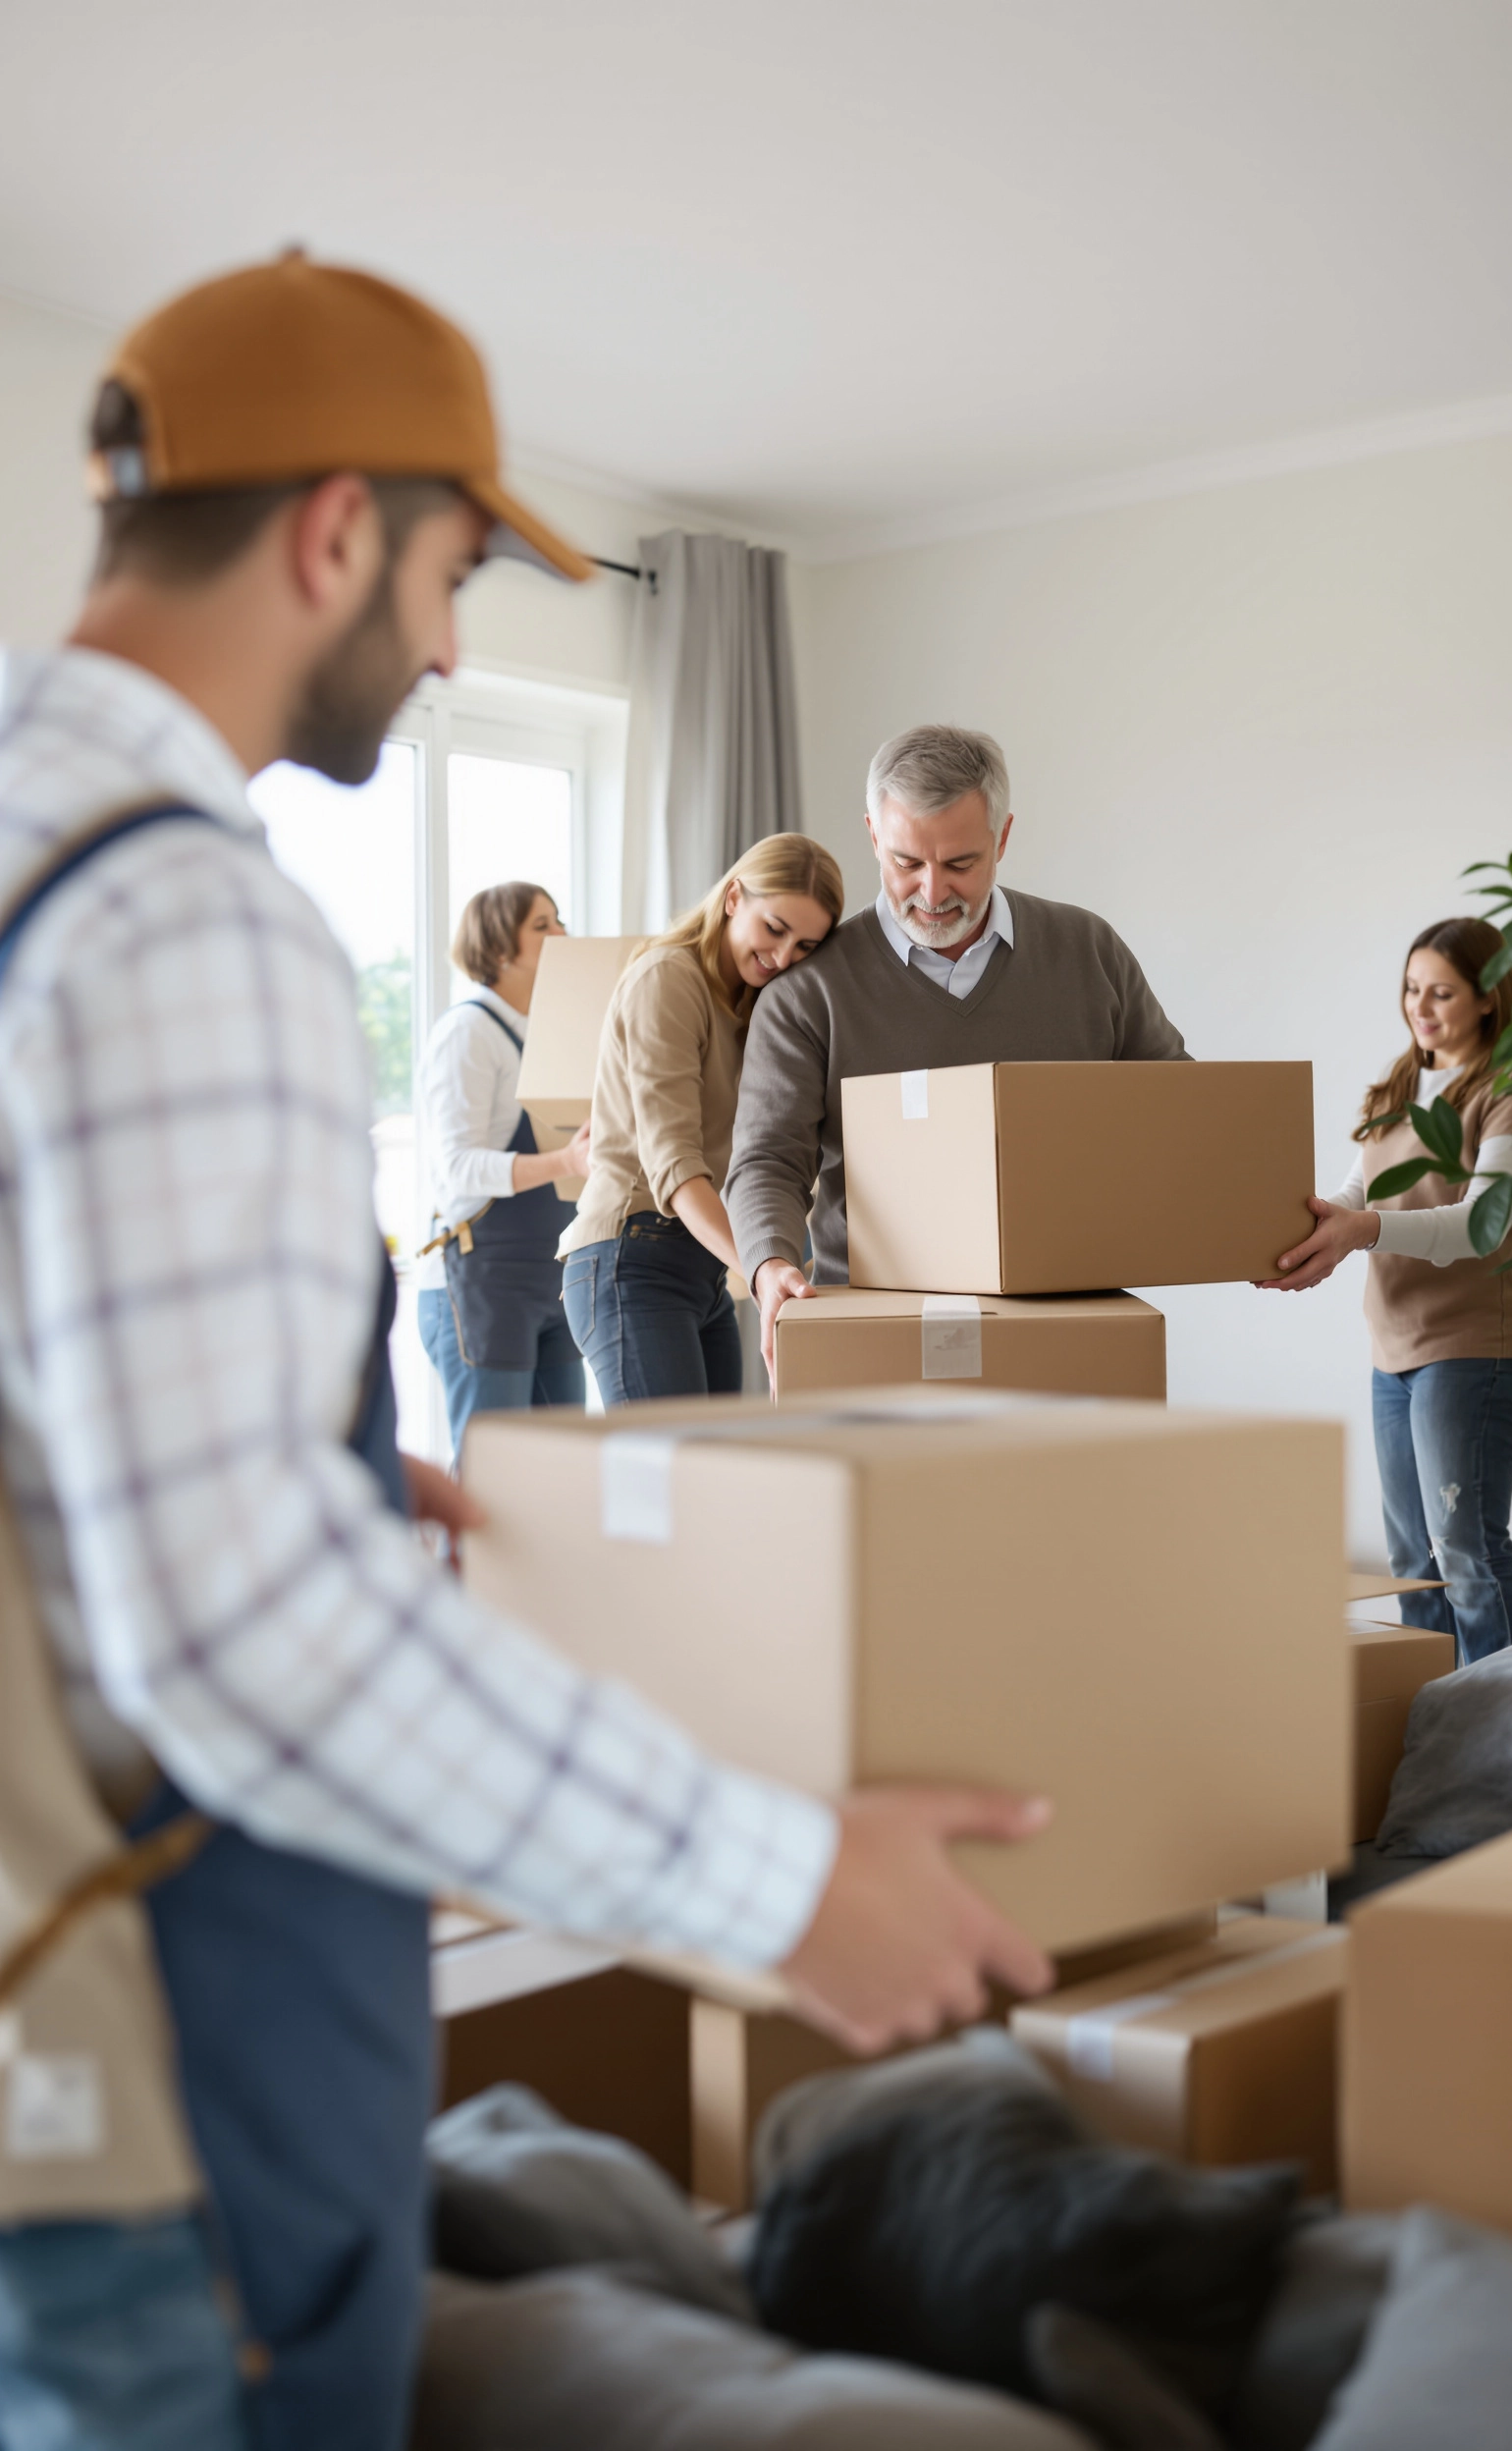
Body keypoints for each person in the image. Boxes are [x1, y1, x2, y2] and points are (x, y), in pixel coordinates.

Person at [0, 255, 1053, 2451]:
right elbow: (249, 1646)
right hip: (144, 2054)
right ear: (330, 533)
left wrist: (190, 1455)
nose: (453, 643)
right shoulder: (181, 905)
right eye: (454, 569)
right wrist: (777, 1886)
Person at [724, 723, 1190, 1378]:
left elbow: (1178, 1105)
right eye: (906, 863)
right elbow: (768, 1160)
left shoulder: (1088, 951)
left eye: (961, 864)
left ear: (1001, 838)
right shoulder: (808, 993)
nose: (933, 892)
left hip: (1067, 1326)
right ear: (872, 836)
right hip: (874, 1330)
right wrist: (770, 1263)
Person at [1258, 916, 1512, 1662]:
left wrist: (1361, 1232)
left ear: (1489, 999)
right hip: (1394, 1347)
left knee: (1469, 1557)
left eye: (1442, 993)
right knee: (1415, 1567)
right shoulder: (1401, 1081)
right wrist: (1308, 1236)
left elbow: (1480, 1226)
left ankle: (1506, 1739)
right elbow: (1361, 1194)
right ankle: (1433, 1733)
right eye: (1412, 989)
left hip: (1476, 1348)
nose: (1421, 1008)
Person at [563, 835, 842, 1404]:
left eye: (806, 944)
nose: (785, 956)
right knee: (671, 1477)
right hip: (629, 1257)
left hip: (702, 1270)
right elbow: (675, 1167)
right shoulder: (668, 978)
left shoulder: (752, 1003)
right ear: (734, 897)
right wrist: (761, 1268)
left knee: (710, 1474)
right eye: (775, 928)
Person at [417, 879, 590, 1454]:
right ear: (497, 948)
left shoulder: (545, 1036)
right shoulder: (468, 1033)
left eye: (559, 919)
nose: (562, 933)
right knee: (490, 1475)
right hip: (481, 1284)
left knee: (558, 1466)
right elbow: (457, 1168)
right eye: (542, 925)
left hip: (548, 1276)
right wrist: (564, 1161)